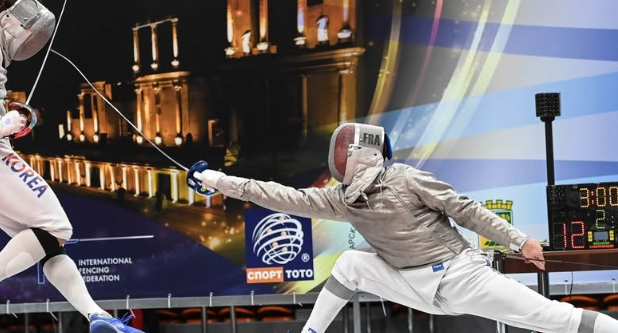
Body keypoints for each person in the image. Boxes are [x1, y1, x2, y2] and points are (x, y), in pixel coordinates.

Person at [192, 122, 618, 333]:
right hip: (413, 286)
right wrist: (214, 179)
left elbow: (466, 209)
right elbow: (277, 195)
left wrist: (520, 239)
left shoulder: (407, 179)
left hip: (461, 276)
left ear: (355, 153)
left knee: (553, 318)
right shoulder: (341, 199)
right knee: (351, 263)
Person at [0, 0, 144, 333]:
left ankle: (97, 316)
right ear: (7, 20)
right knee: (57, 228)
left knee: (44, 242)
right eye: (26, 27)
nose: (30, 36)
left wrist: (11, 118)